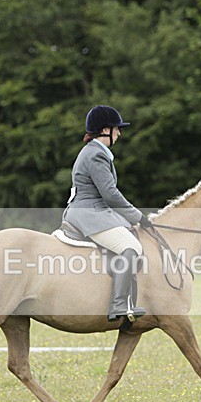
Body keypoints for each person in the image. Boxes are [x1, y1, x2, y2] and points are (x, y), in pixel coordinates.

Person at [63, 105, 153, 323]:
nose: (119, 133)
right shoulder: (96, 155)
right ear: (105, 130)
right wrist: (137, 217)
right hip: (89, 212)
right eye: (116, 129)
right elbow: (110, 195)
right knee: (131, 247)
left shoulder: (96, 153)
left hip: (94, 209)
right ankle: (119, 304)